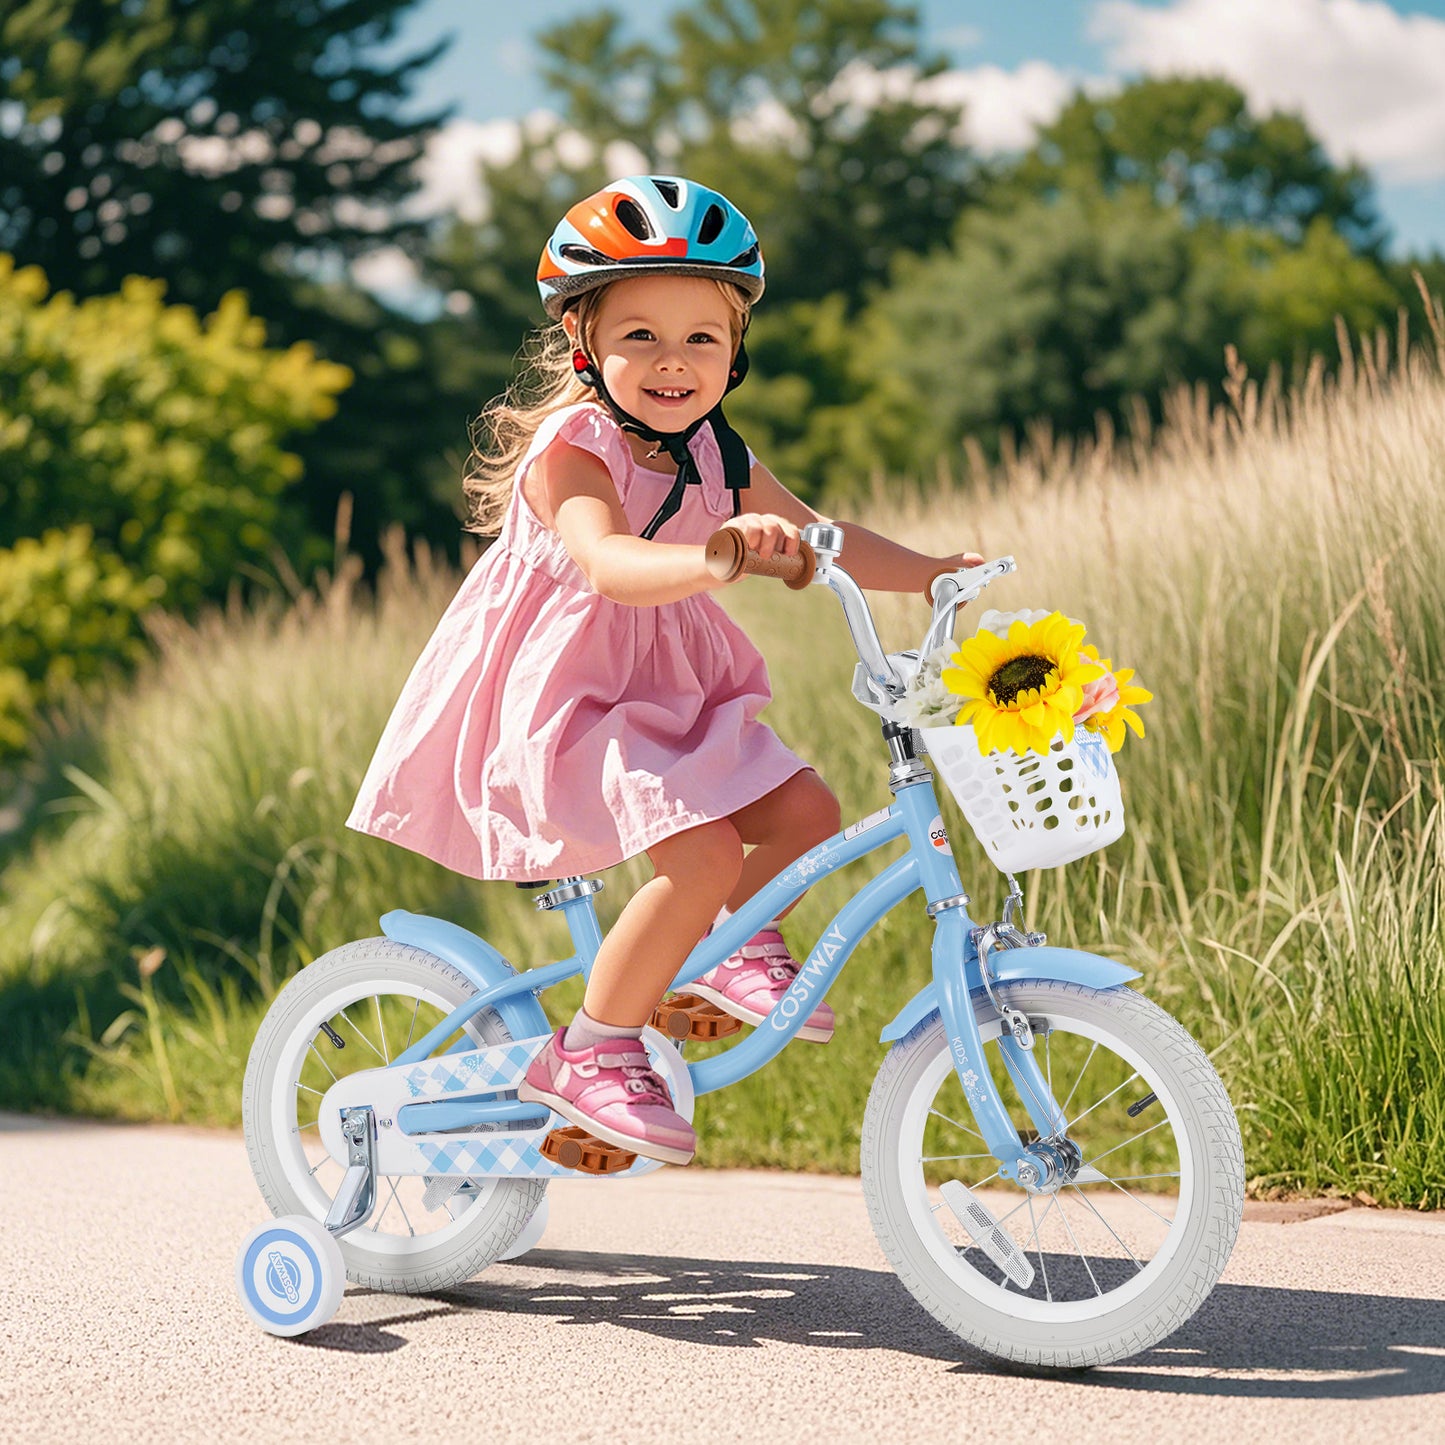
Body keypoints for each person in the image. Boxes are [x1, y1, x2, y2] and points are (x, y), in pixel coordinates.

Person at [348, 175, 982, 1166]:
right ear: (585, 349)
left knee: (803, 809)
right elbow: (606, 563)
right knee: (699, 854)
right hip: (565, 696)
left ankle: (709, 959)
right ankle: (590, 1047)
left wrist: (931, 571)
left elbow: (827, 537)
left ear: (735, 355)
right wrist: (716, 556)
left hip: (660, 689)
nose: (672, 361)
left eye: (701, 338)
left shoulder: (718, 450)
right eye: (639, 335)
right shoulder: (573, 452)